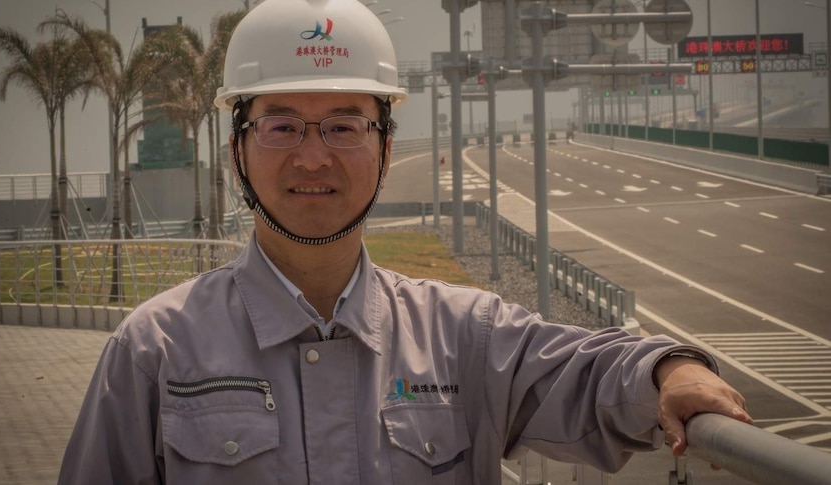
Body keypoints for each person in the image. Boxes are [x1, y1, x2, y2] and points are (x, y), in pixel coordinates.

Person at [58, 0, 751, 483]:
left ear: (387, 148)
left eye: (344, 124)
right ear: (237, 148)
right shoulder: (154, 350)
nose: (312, 156)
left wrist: (673, 370)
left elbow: (587, 375)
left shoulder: (462, 338)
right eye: (281, 124)